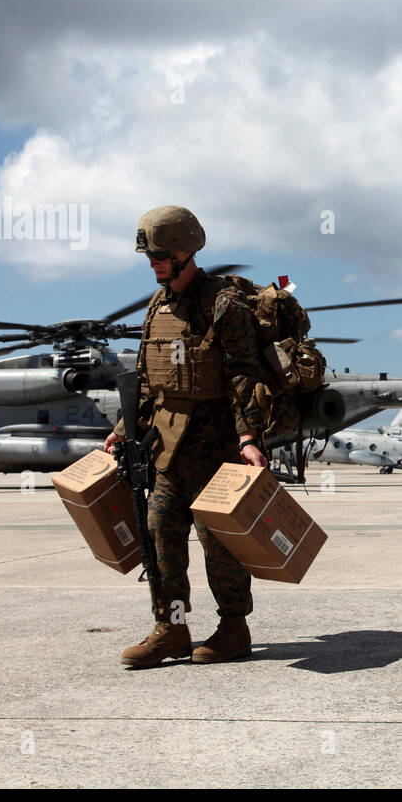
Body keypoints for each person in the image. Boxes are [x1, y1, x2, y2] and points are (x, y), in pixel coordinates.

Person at [104, 205, 268, 668]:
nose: (152, 263)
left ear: (184, 251)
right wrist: (123, 430)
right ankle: (171, 627)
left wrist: (248, 437)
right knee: (160, 534)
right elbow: (145, 377)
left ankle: (234, 628)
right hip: (167, 449)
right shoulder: (158, 306)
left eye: (158, 254)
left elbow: (243, 376)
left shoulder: (223, 304)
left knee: (218, 542)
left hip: (218, 448)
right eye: (148, 256)